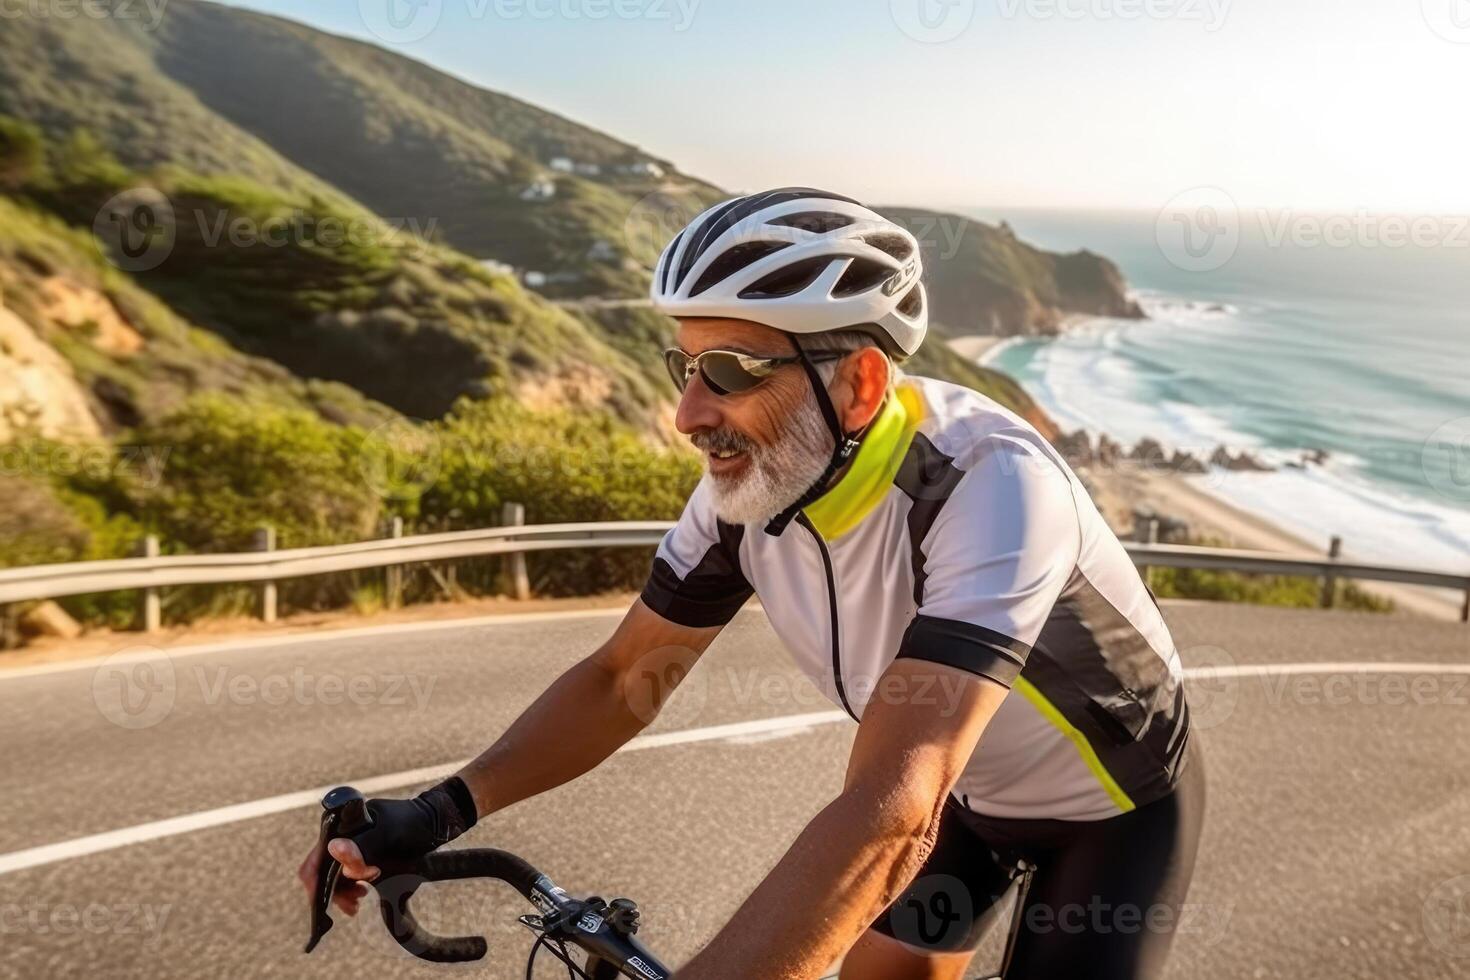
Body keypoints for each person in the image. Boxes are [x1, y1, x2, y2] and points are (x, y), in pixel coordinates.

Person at [298, 188, 1204, 979]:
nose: (688, 415)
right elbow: (625, 680)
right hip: (966, 806)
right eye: (685, 369)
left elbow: (895, 809)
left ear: (859, 383)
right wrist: (441, 809)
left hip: (1111, 816)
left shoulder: (988, 486)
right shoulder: (749, 493)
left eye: (729, 373)